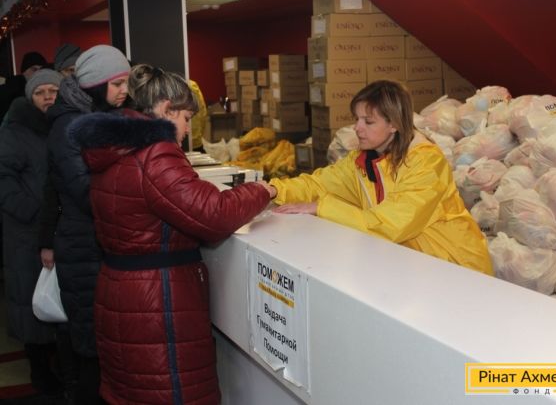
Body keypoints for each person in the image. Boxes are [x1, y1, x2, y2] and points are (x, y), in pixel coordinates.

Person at [70, 64, 273, 404]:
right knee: (171, 392)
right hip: (158, 302)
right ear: (166, 109)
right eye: (186, 118)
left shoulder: (115, 149)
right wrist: (263, 191)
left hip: (122, 294)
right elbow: (214, 214)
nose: (188, 129)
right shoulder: (155, 152)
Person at [268, 80, 494, 275]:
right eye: (357, 119)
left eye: (368, 121)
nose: (357, 128)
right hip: (415, 266)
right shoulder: (363, 161)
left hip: (457, 268)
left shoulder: (426, 163)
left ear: (393, 124)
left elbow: (389, 224)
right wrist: (273, 189)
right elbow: (318, 183)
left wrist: (321, 207)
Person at [45, 44, 130, 404]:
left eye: (126, 82)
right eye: (117, 84)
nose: (124, 91)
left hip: (97, 243)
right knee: (92, 352)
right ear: (95, 84)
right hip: (83, 246)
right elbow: (85, 191)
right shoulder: (69, 126)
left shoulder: (102, 116)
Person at [0, 68, 64, 396]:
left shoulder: (62, 125)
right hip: (26, 232)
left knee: (55, 300)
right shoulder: (14, 130)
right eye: (41, 92)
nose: (48, 97)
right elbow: (3, 181)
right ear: (30, 97)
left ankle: (59, 367)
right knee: (31, 300)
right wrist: (37, 214)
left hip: (56, 228)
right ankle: (39, 370)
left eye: (54, 90)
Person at [0, 51, 48, 121]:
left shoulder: (48, 92)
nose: (38, 73)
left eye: (41, 70)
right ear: (24, 72)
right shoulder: (7, 92)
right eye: (34, 69)